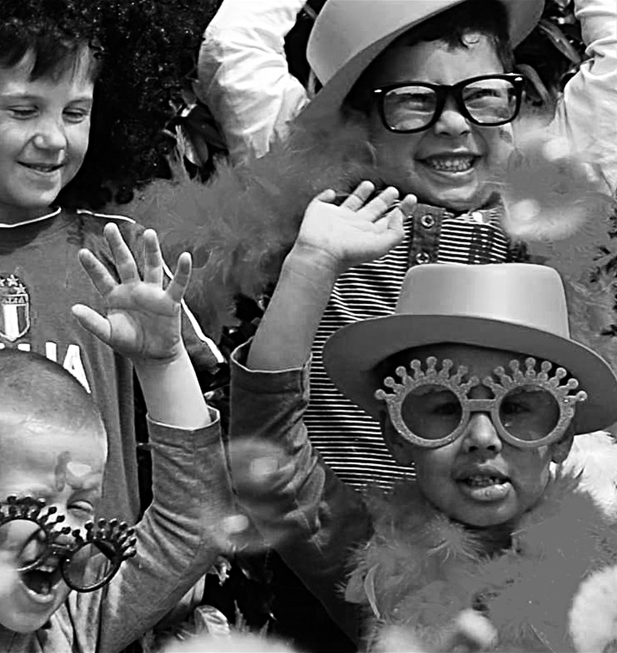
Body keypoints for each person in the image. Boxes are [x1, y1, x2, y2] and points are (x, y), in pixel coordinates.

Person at [227, 179, 617, 651]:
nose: (482, 436)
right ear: (398, 433)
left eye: (516, 407)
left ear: (562, 436)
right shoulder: (364, 560)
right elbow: (271, 451)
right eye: (444, 406)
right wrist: (310, 265)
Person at [0, 0, 223, 524]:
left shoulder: (121, 254)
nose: (55, 138)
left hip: (97, 567)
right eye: (24, 111)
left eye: (76, 113)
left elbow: (198, 433)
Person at [0, 224, 235, 652]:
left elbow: (192, 523)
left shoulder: (73, 626)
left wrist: (162, 364)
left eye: (79, 507)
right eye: (30, 505)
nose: (67, 534)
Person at [197, 0, 617, 193]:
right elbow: (231, 45)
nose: (453, 123)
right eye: (415, 99)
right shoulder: (307, 190)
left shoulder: (555, 193)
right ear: (357, 118)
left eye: (482, 95)